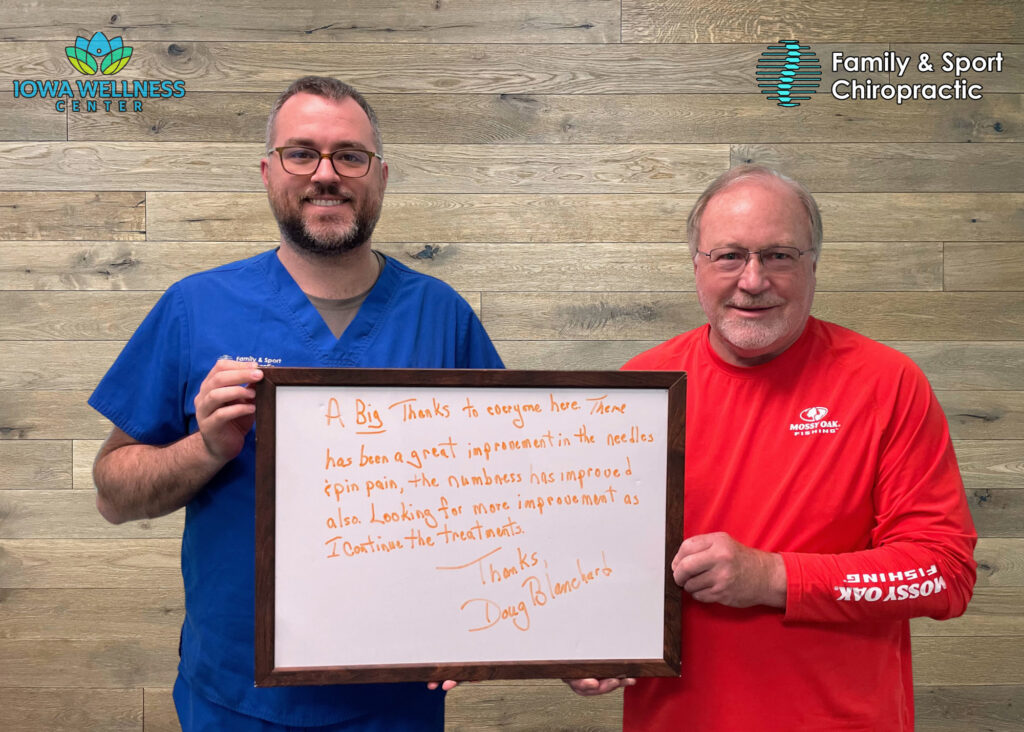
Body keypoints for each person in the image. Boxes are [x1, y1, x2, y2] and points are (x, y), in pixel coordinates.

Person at [90, 76, 503, 731]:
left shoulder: (440, 316)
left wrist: (485, 626)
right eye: (301, 153)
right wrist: (206, 448)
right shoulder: (195, 308)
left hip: (395, 697)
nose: (326, 174)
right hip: (237, 701)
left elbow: (503, 501)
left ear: (382, 175)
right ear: (267, 171)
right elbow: (113, 495)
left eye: (350, 155)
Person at [567, 164, 977, 731]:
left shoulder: (887, 383)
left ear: (814, 264)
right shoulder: (638, 389)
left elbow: (943, 573)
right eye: (729, 256)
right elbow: (594, 562)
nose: (753, 280)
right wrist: (585, 640)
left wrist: (772, 577)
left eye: (779, 256)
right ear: (697, 266)